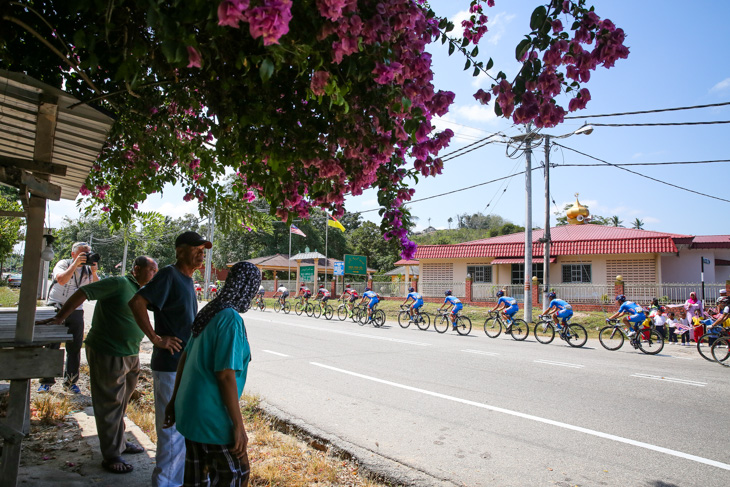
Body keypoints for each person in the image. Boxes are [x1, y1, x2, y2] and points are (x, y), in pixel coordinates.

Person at [38, 256, 158, 474]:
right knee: (109, 404)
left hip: (130, 353)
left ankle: (119, 442)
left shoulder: (140, 290)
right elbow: (84, 293)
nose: (154, 275)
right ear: (137, 268)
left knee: (121, 403)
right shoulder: (119, 283)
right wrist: (60, 317)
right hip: (109, 351)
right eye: (151, 270)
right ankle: (111, 455)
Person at [163, 262, 260, 486]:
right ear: (249, 287)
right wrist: (238, 426)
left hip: (190, 410)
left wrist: (174, 400)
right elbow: (225, 375)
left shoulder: (211, 310)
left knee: (196, 478)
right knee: (236, 475)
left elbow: (184, 359)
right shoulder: (230, 318)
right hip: (213, 416)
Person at [129, 231, 210, 487]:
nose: (201, 253)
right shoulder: (169, 274)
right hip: (169, 366)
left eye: (203, 249)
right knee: (171, 432)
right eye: (196, 248)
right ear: (180, 251)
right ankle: (164, 483)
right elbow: (137, 302)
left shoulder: (186, 280)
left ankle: (176, 480)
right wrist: (156, 339)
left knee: (181, 430)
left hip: (183, 366)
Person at [39, 241, 100, 393]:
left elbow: (97, 290)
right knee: (52, 345)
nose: (85, 257)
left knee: (74, 347)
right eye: (82, 254)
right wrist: (75, 265)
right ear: (73, 254)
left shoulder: (87, 270)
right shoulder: (63, 264)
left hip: (76, 310)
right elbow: (62, 279)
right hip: (56, 308)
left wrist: (93, 272)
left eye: (88, 254)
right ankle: (46, 381)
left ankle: (71, 381)